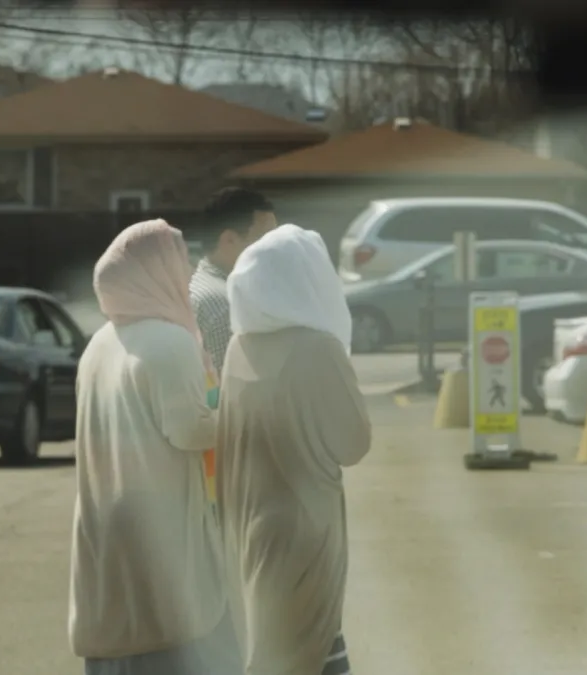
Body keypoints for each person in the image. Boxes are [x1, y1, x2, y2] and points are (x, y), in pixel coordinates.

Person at [69, 219, 244, 675]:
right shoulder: (169, 341)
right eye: (179, 261)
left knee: (120, 627)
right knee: (183, 634)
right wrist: (246, 415)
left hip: (107, 518)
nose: (187, 274)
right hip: (161, 519)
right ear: (154, 271)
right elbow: (190, 431)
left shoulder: (100, 343)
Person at [217, 224, 373, 675]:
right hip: (305, 525)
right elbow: (354, 444)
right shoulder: (317, 348)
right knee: (313, 642)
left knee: (275, 644)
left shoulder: (238, 346)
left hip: (250, 521)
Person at [190, 187, 278, 375]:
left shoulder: (198, 284)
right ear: (229, 239)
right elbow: (229, 388)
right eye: (265, 239)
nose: (276, 249)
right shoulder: (225, 305)